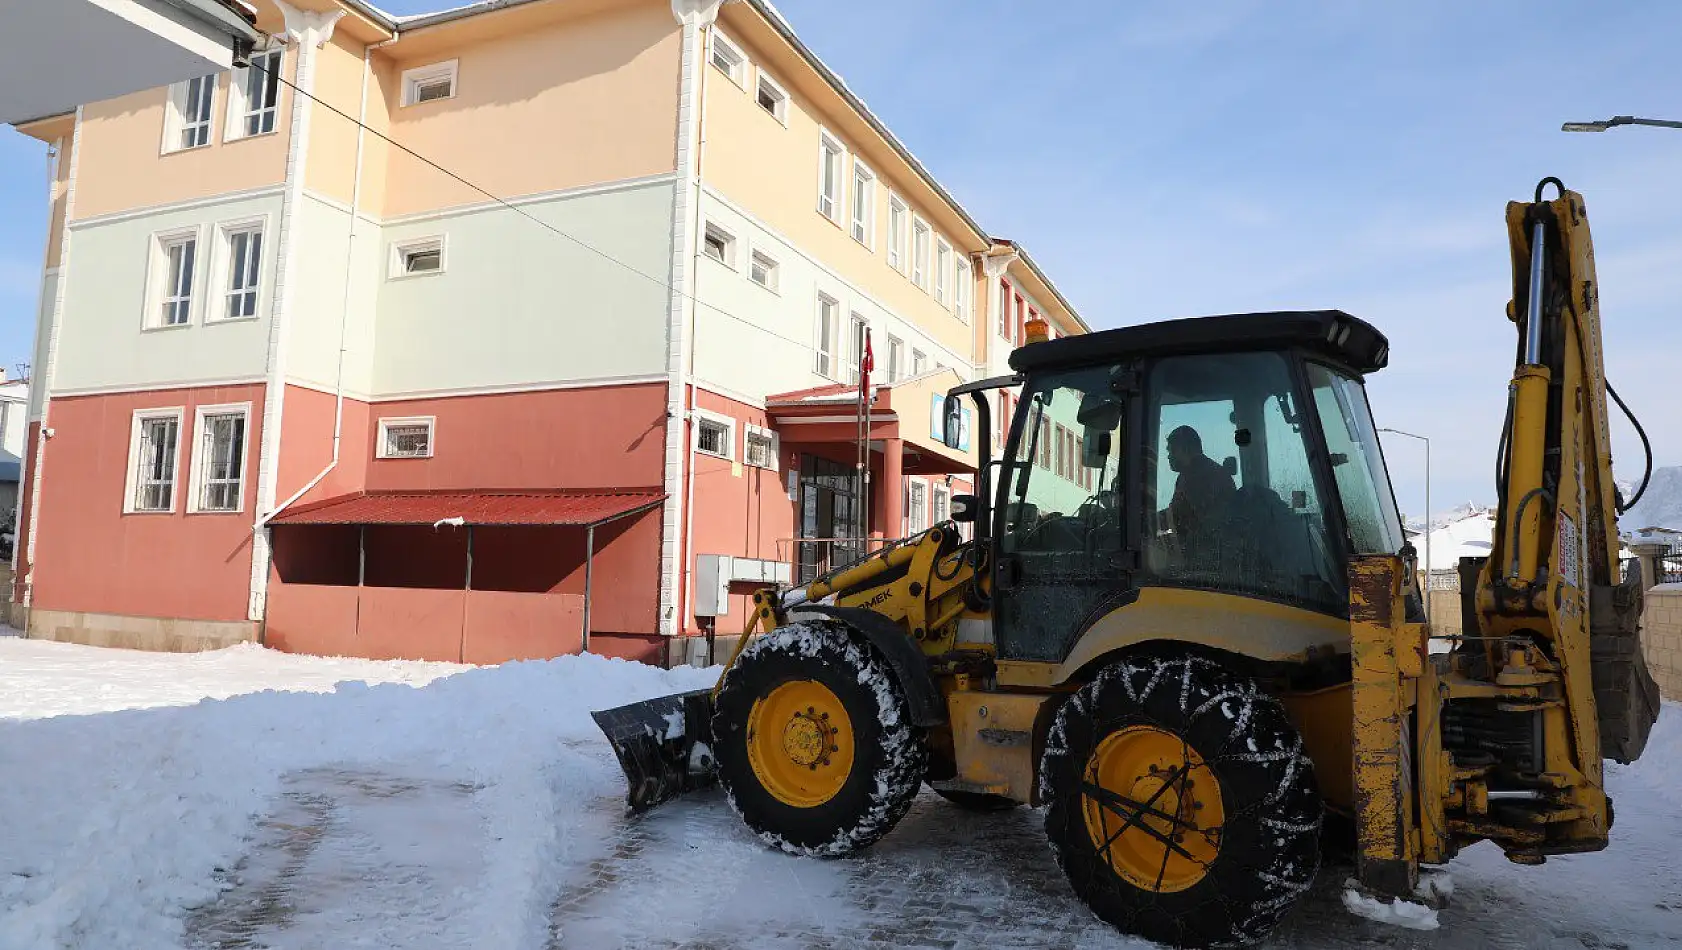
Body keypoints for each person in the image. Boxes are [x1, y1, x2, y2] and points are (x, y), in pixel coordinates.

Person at [1164, 425, 1236, 563]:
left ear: (1186, 449)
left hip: (1207, 559)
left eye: (1172, 450)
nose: (1169, 456)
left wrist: (1149, 523)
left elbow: (1179, 519)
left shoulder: (1202, 477)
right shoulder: (1190, 474)